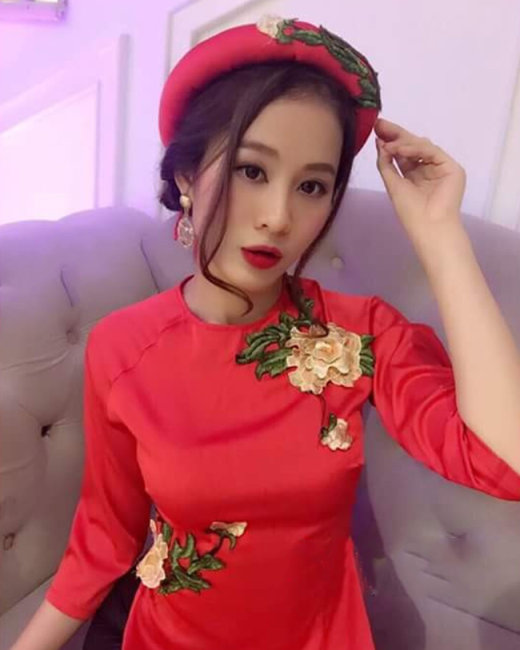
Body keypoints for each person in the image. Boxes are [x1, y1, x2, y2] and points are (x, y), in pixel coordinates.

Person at [10, 15, 520, 650]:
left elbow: (507, 462)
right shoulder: (123, 348)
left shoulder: (358, 335)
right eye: (252, 171)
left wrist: (441, 237)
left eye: (312, 186)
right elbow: (105, 539)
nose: (279, 217)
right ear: (187, 176)